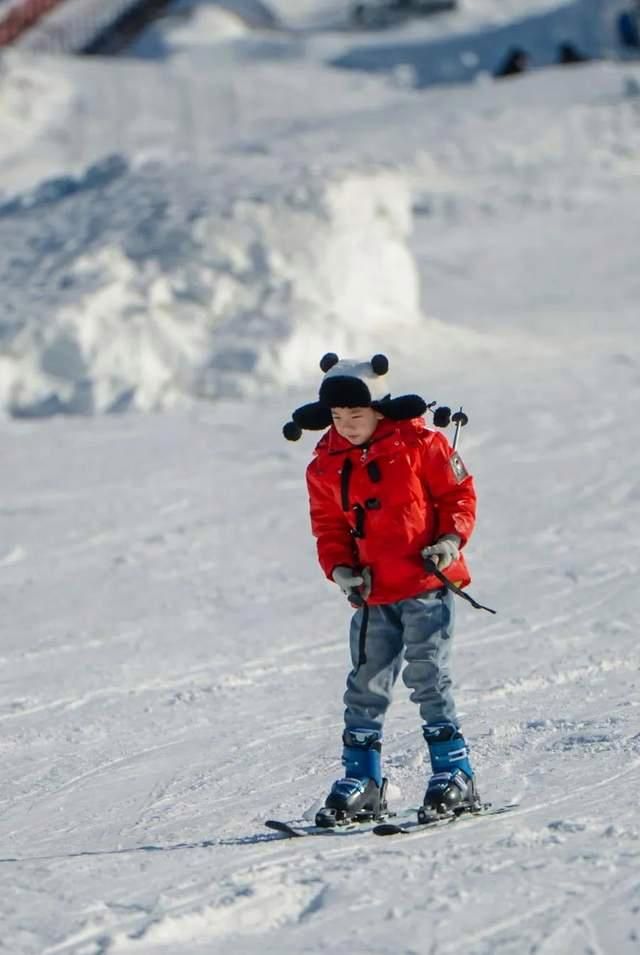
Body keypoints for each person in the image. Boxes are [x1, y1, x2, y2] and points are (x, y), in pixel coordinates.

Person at [283, 353, 480, 826]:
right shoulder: (324, 466)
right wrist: (339, 569)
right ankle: (364, 781)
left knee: (428, 676)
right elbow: (328, 526)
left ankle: (455, 773)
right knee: (365, 687)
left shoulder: (420, 444)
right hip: (372, 596)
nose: (347, 426)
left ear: (378, 409)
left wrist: (450, 541)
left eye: (356, 415)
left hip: (425, 583)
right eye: (336, 417)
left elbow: (459, 495)